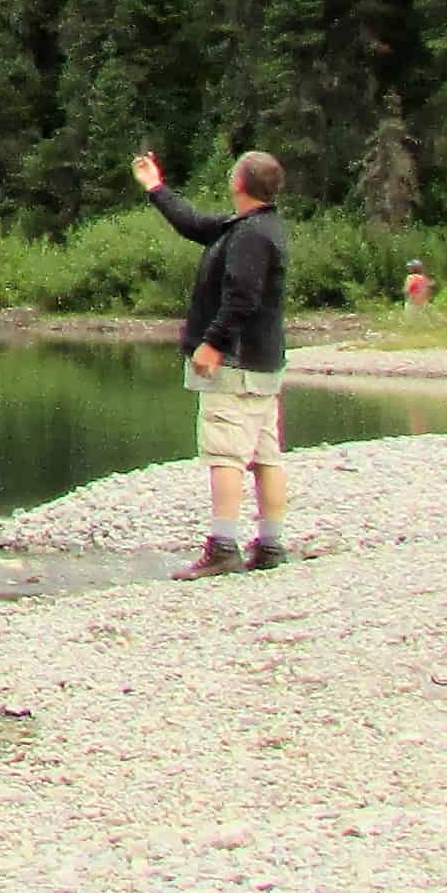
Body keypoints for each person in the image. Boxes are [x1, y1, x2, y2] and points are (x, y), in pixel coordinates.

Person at [131, 144, 290, 576]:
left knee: (226, 455)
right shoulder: (251, 226)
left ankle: (223, 548)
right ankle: (270, 546)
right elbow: (194, 224)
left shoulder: (250, 235)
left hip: (237, 364)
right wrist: (155, 187)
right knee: (264, 454)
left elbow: (242, 296)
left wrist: (213, 343)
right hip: (262, 362)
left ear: (239, 183)